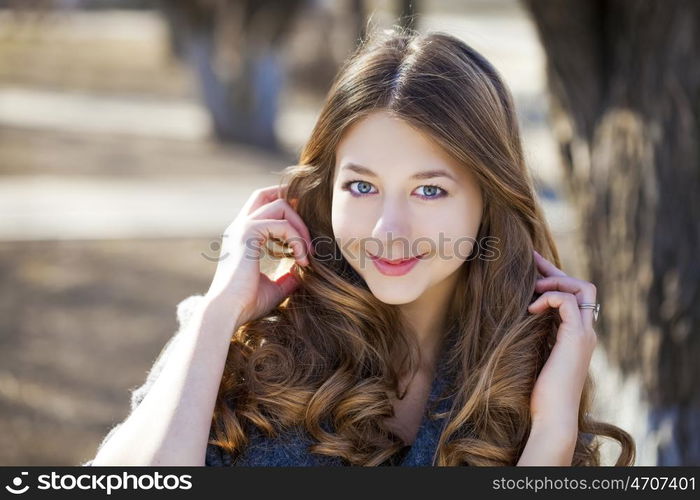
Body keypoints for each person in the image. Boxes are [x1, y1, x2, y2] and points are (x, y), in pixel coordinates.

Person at [85, 26, 635, 466]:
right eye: (362, 186)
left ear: (489, 201)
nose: (387, 230)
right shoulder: (232, 347)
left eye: (429, 190)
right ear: (327, 193)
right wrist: (217, 312)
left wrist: (554, 435)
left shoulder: (532, 375)